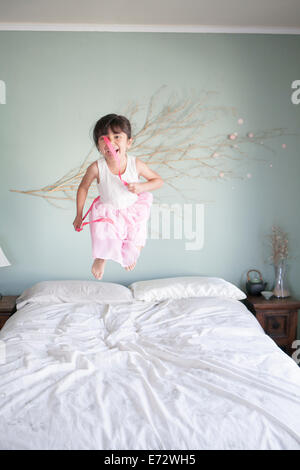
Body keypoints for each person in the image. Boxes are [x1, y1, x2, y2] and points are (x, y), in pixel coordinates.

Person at [73, 114, 163, 280]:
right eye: (104, 138)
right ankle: (101, 258)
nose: (110, 142)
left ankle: (131, 251)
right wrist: (79, 214)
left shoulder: (136, 164)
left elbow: (158, 181)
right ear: (99, 146)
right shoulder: (96, 167)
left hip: (132, 209)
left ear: (128, 142)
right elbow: (83, 188)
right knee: (105, 236)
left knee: (138, 237)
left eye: (116, 137)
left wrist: (141, 186)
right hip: (109, 212)